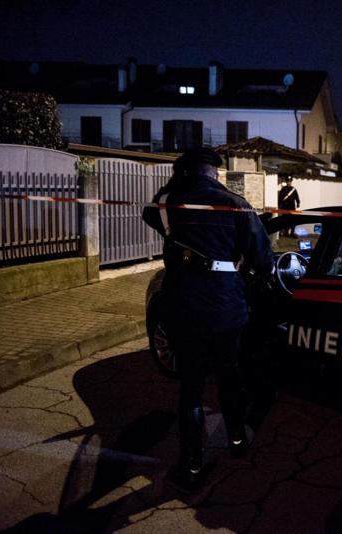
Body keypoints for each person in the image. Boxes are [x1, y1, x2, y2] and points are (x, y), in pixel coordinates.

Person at [142, 147, 274, 492]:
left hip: (184, 309)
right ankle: (236, 440)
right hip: (227, 308)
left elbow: (149, 211)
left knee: (191, 389)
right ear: (216, 172)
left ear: (184, 171)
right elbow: (264, 261)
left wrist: (175, 184)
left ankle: (192, 465)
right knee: (229, 376)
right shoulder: (236, 204)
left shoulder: (170, 203)